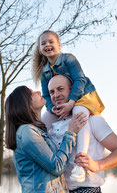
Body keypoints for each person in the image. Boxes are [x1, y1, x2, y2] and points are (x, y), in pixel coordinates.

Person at [32, 30, 105, 182]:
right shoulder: (44, 72)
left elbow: (79, 79)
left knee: (79, 113)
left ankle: (80, 164)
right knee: (45, 119)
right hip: (62, 102)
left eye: (51, 42)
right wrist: (52, 107)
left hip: (82, 96)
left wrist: (71, 103)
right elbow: (46, 95)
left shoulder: (69, 59)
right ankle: (45, 159)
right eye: (43, 43)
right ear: (40, 49)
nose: (47, 45)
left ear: (59, 44)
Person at [46, 75, 117, 193]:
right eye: (52, 92)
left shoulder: (92, 119)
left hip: (87, 189)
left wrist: (97, 165)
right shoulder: (53, 125)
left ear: (72, 91)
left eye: (60, 89)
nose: (56, 95)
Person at [5, 85, 88, 193]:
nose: (38, 92)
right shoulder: (27, 132)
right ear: (24, 104)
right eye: (31, 93)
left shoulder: (37, 130)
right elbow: (57, 166)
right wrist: (71, 132)